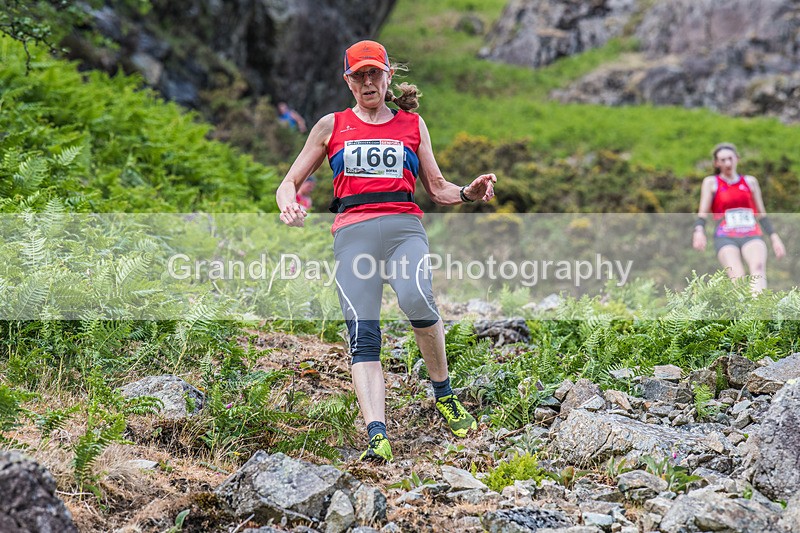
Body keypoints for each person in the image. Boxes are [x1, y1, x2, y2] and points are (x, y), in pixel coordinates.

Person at [276, 39, 497, 462]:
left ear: (388, 75)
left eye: (374, 73)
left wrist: (467, 192)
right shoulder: (330, 126)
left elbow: (437, 188)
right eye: (359, 75)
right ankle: (377, 433)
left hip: (403, 229)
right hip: (352, 233)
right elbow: (289, 182)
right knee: (364, 334)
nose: (367, 82)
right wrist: (288, 203)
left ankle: (444, 394)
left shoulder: (413, 126)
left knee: (416, 298)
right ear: (348, 81)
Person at [692, 142, 785, 293]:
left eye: (730, 158)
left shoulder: (750, 182)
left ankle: (759, 310)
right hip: (725, 236)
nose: (727, 163)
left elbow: (761, 214)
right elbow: (702, 212)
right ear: (716, 163)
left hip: (751, 233)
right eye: (722, 160)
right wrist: (698, 231)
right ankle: (745, 313)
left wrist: (774, 237)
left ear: (737, 159)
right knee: (738, 276)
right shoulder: (711, 183)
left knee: (758, 268)